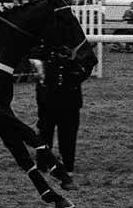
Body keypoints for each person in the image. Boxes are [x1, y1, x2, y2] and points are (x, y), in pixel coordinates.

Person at [31, 46, 90, 184]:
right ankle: (43, 163)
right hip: (48, 94)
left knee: (68, 133)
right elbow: (35, 60)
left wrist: (75, 75)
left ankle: (68, 165)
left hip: (69, 95)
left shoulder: (75, 43)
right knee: (45, 131)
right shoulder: (45, 45)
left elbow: (88, 62)